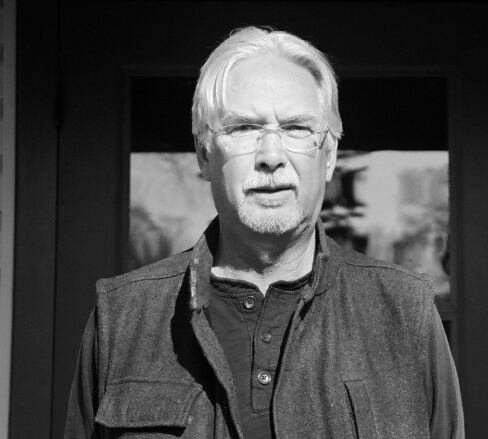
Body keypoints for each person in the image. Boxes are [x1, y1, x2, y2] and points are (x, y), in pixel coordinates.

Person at [65, 26, 464, 438]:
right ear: (204, 155)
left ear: (328, 156)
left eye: (295, 128)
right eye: (243, 128)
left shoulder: (404, 311)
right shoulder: (123, 317)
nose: (271, 156)